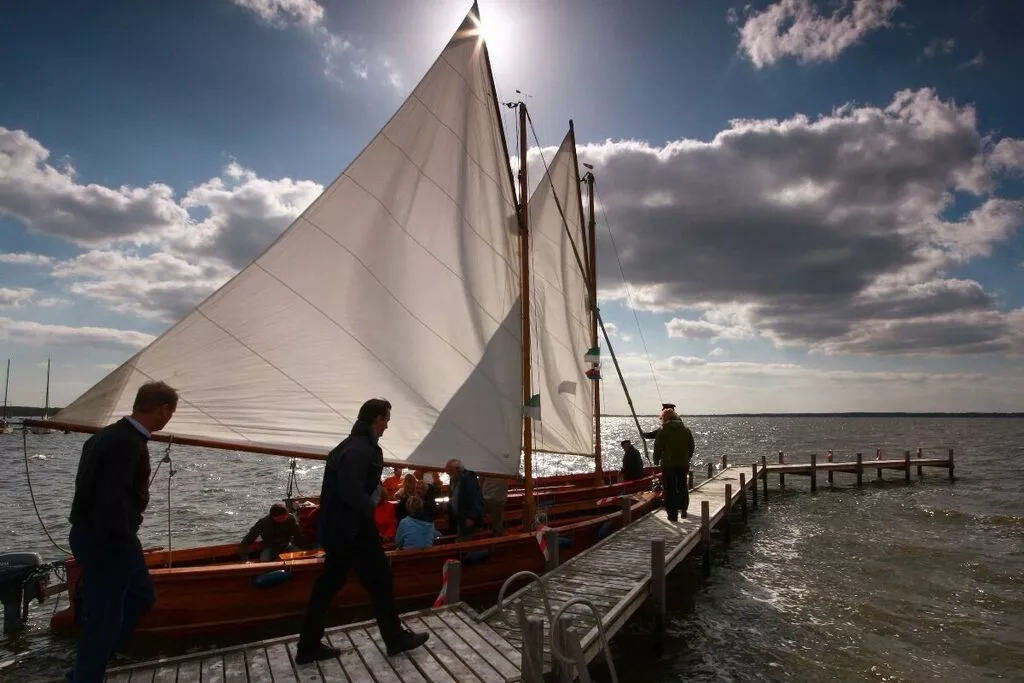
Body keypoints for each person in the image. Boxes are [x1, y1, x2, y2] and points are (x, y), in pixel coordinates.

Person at [294, 398, 428, 663]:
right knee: (378, 580)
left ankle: (308, 645)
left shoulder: (353, 446)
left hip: (342, 527)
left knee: (332, 583)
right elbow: (351, 490)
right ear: (376, 419)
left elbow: (351, 487)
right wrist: (371, 506)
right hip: (351, 529)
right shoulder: (360, 449)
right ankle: (394, 639)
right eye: (386, 420)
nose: (387, 426)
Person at [67, 381, 178, 683]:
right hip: (109, 539)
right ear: (163, 409)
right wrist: (121, 540)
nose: (170, 418)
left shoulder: (107, 436)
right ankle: (86, 675)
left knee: (139, 598)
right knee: (107, 616)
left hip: (93, 534)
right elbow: (111, 500)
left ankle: (87, 665)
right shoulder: (127, 444)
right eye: (171, 412)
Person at [653, 407, 695, 522]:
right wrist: (687, 458)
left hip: (668, 464)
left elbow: (657, 447)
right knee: (682, 486)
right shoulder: (686, 429)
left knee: (669, 489)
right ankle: (684, 509)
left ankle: (672, 515)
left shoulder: (663, 430)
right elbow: (691, 446)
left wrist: (656, 460)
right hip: (683, 464)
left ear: (664, 418)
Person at [444, 458, 485, 539]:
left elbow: (475, 498)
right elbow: (453, 496)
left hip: (467, 518)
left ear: (457, 469)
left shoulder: (469, 479)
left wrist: (471, 517)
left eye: (450, 473)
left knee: (465, 541)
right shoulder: (455, 479)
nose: (449, 475)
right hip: (459, 518)